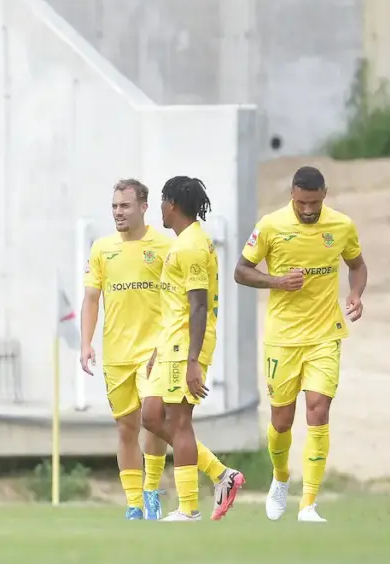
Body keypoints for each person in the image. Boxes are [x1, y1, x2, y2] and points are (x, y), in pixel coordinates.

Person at [234, 165, 366, 523]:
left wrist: (355, 293)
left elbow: (357, 265)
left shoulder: (340, 225)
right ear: (292, 194)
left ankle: (309, 503)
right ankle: (280, 479)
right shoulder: (271, 225)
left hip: (325, 334)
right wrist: (277, 281)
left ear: (324, 196)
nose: (309, 210)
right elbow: (241, 270)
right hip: (283, 339)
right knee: (281, 421)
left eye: (316, 203)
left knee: (319, 410)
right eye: (303, 202)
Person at [146, 176, 245, 522]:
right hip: (170, 343)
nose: (159, 208)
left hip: (184, 345)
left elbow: (198, 306)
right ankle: (222, 475)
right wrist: (159, 349)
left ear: (172, 204)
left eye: (161, 201)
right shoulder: (187, 242)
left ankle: (188, 508)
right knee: (152, 416)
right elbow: (175, 303)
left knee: (179, 421)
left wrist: (193, 361)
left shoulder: (191, 246)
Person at [80, 179, 174, 520]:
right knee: (126, 428)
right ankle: (134, 503)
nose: (119, 212)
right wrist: (86, 343)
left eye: (125, 206)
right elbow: (91, 298)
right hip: (116, 353)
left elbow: (176, 300)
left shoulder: (164, 247)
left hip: (153, 352)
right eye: (115, 206)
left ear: (143, 207)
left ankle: (151, 491)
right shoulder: (103, 248)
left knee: (154, 418)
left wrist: (168, 342)